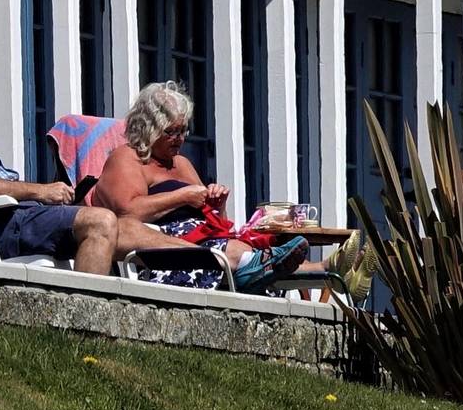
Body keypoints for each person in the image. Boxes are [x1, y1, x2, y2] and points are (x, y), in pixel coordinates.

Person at [0, 47, 302, 288]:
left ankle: (234, 264)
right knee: (102, 221)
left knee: (114, 225)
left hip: (14, 214)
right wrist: (40, 191)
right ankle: (88, 314)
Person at [89, 81, 312, 289]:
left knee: (238, 246)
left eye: (183, 130)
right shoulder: (128, 158)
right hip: (166, 249)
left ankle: (272, 266)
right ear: (148, 128)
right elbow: (127, 212)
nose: (179, 139)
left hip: (206, 239)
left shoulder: (182, 164)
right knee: (236, 253)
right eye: (171, 132)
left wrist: (218, 204)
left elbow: (216, 223)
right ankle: (260, 267)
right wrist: (182, 197)